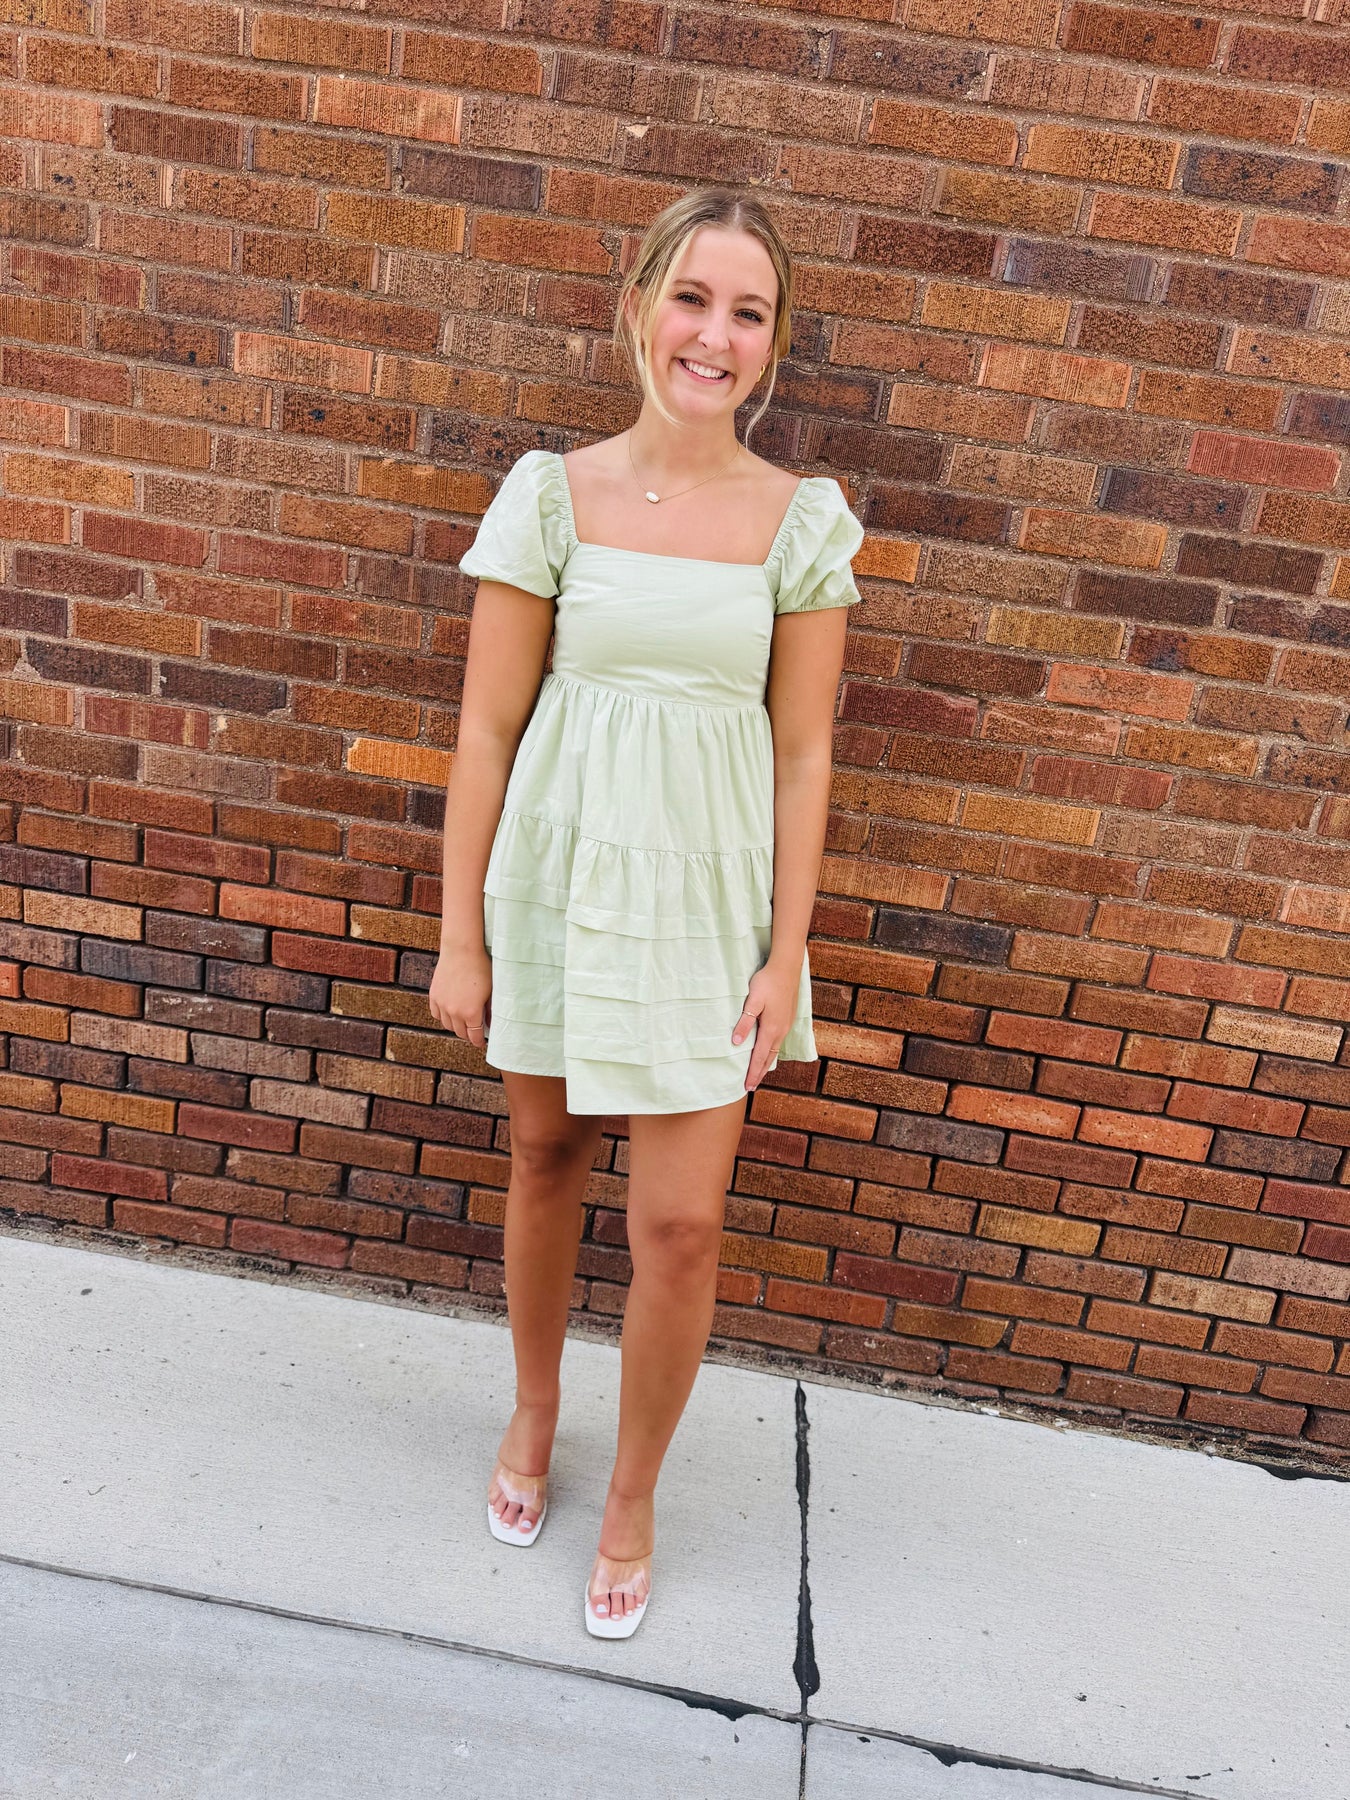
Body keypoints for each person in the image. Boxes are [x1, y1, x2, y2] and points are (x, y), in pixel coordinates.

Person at [428, 187, 864, 1639]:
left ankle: (632, 1493)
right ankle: (533, 1412)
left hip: (707, 908)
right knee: (546, 1156)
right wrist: (461, 935)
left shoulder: (800, 522)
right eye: (691, 297)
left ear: (772, 344)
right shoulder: (552, 496)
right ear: (637, 308)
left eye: (747, 312)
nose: (712, 335)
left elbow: (802, 756)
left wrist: (786, 954)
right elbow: (486, 730)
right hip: (557, 882)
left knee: (679, 1226)